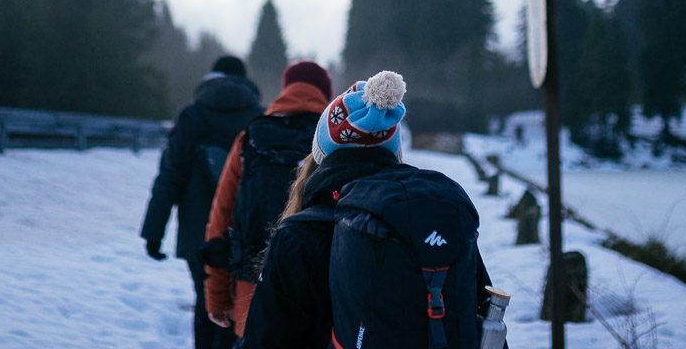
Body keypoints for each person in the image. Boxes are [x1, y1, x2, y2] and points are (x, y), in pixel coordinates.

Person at [242, 70, 492, 349]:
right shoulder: (434, 216)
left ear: (322, 153)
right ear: (393, 151)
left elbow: (266, 339)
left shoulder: (299, 235)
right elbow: (484, 317)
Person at [202, 60, 334, 341]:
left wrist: (217, 297)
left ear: (286, 89)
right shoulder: (333, 142)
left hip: (251, 293)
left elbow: (221, 219)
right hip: (319, 296)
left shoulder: (251, 138)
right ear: (326, 92)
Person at [142, 55, 263, 349]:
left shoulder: (191, 116)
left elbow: (169, 177)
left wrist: (153, 233)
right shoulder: (261, 118)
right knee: (241, 307)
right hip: (246, 234)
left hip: (199, 236)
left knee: (205, 302)